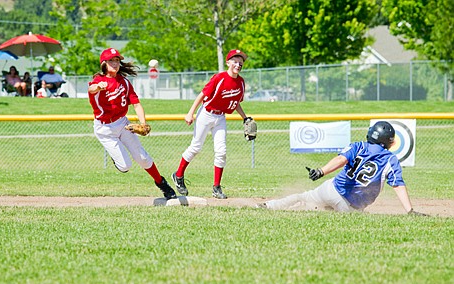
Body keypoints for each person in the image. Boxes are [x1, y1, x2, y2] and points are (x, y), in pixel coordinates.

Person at [259, 121, 426, 215]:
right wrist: (410, 210)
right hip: (350, 207)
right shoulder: (390, 159)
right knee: (341, 213)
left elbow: (341, 159)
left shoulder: (359, 146)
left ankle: (270, 206)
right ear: (389, 142)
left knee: (303, 197)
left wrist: (321, 171)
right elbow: (398, 185)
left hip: (331, 189)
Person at [88, 48, 176, 200]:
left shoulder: (125, 83)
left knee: (143, 158)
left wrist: (143, 123)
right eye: (111, 61)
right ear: (104, 63)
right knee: (125, 166)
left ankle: (161, 183)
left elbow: (136, 104)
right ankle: (117, 159)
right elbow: (91, 88)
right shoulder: (98, 81)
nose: (115, 64)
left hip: (123, 124)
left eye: (117, 60)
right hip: (104, 129)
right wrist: (98, 87)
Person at [171, 49, 253, 199]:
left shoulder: (240, 82)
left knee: (221, 152)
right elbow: (202, 94)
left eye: (241, 62)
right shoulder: (219, 78)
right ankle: (178, 175)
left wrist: (244, 118)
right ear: (228, 62)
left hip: (220, 117)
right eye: (235, 60)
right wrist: (190, 113)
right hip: (206, 114)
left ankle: (216, 187)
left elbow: (235, 103)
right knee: (196, 147)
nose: (238, 64)